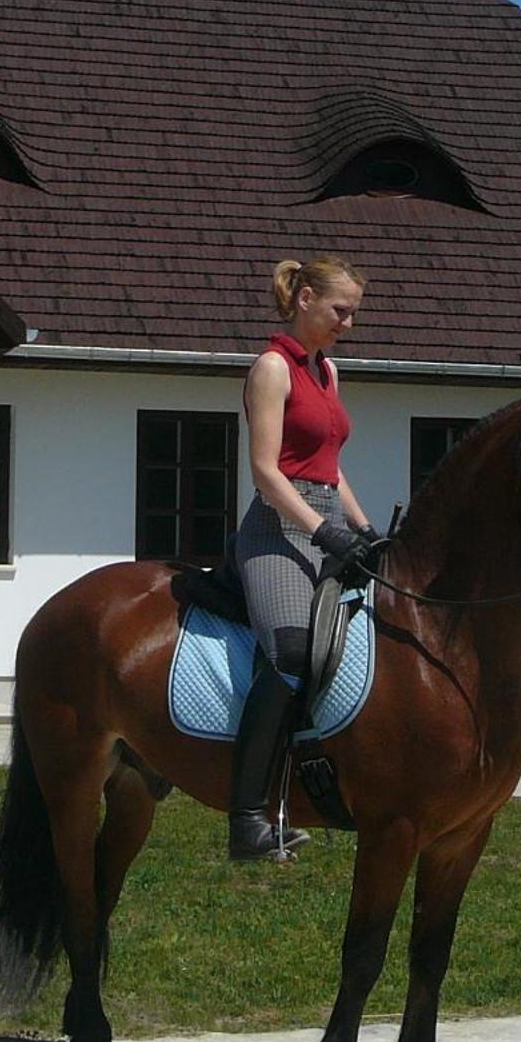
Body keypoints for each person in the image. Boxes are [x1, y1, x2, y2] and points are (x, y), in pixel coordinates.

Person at [227, 255, 383, 860]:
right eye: (341, 311)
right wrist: (323, 530)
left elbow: (330, 468)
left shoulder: (328, 371)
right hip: (276, 530)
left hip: (328, 523)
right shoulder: (271, 368)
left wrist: (365, 529)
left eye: (353, 313)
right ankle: (246, 819)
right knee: (292, 653)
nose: (349, 323)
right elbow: (266, 472)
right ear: (306, 299)